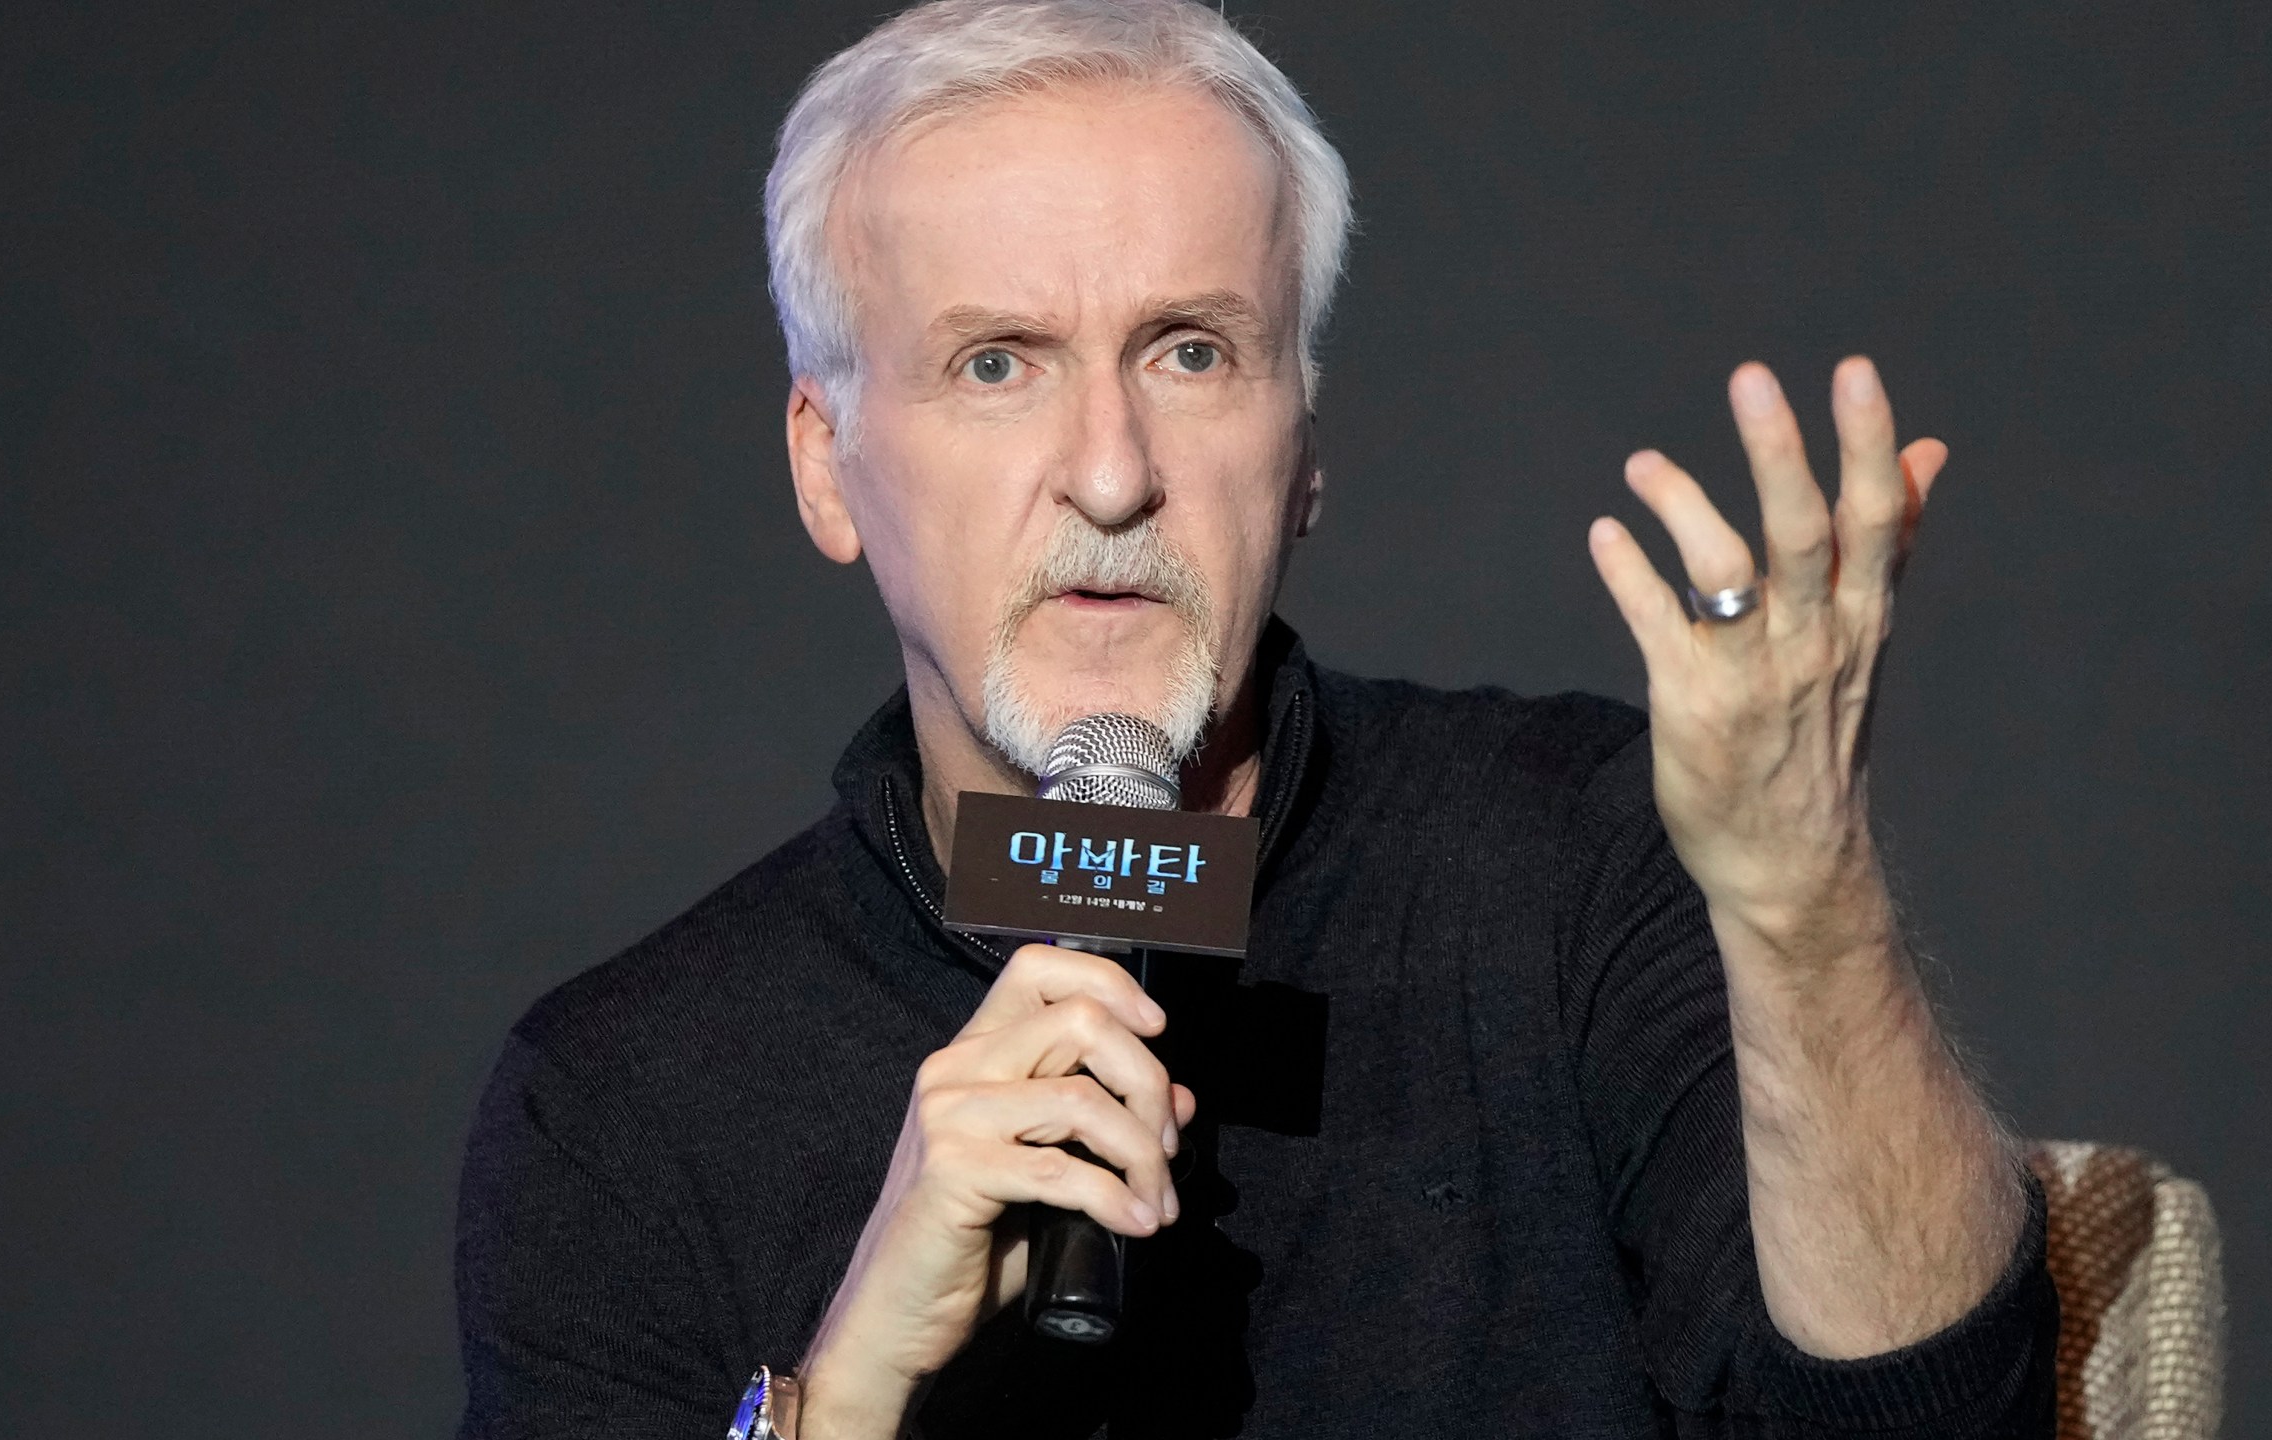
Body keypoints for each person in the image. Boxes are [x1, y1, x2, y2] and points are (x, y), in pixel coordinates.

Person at [453, 2, 2058, 1435]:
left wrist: (1802, 912)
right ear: (827, 463)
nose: (1109, 472)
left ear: (1304, 451)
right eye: (998, 363)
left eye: (1192, 350)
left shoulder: (1580, 859)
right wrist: (851, 1394)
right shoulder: (622, 1102)